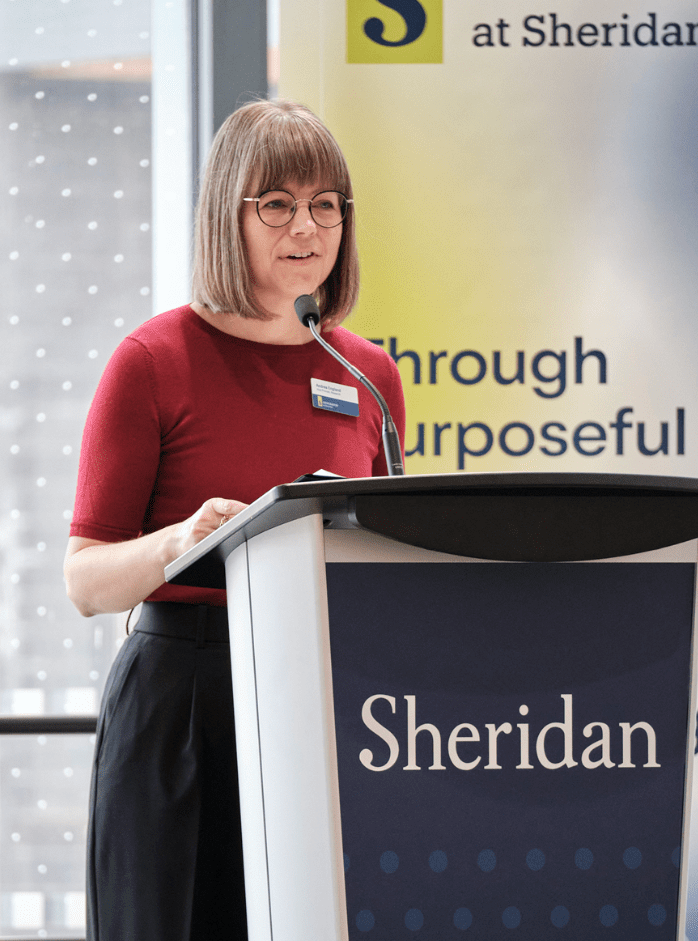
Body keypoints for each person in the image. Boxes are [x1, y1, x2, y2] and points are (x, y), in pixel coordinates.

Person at [63, 99, 406, 940]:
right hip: (186, 699)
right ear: (229, 213)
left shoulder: (368, 377)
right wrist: (182, 542)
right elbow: (84, 581)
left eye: (327, 205)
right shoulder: (152, 361)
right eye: (278, 203)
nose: (307, 226)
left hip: (328, 701)